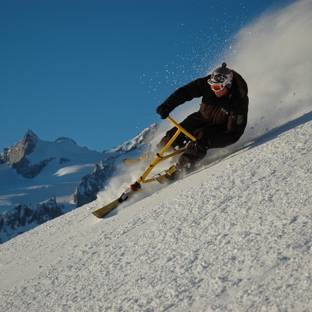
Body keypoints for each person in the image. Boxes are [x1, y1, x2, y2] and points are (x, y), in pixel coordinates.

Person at [155, 62, 249, 178]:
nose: (213, 90)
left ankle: (182, 167)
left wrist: (209, 143)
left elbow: (234, 133)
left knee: (201, 138)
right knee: (178, 131)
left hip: (220, 126)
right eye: (212, 86)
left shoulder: (238, 101)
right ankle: (157, 153)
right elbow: (186, 91)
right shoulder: (208, 84)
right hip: (202, 116)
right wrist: (167, 105)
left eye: (217, 87)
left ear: (228, 85)